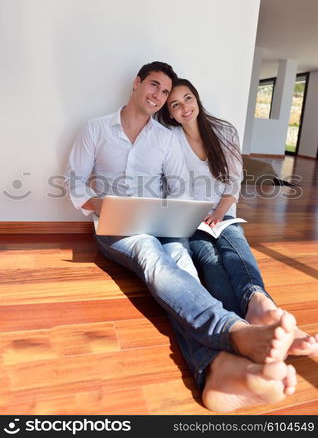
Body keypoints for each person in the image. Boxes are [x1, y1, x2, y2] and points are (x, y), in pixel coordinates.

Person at [65, 62, 298, 412]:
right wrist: (101, 203)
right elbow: (73, 180)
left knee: (184, 267)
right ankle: (232, 329)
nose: (158, 96)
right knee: (150, 255)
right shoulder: (96, 128)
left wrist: (200, 209)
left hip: (159, 220)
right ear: (137, 83)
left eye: (165, 93)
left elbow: (179, 185)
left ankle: (217, 370)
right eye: (154, 86)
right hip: (116, 226)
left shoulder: (166, 136)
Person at [157, 77, 318, 358]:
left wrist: (219, 214)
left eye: (188, 98)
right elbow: (173, 187)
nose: (184, 107)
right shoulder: (170, 139)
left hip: (224, 212)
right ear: (169, 112)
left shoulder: (223, 130)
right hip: (190, 219)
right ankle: (257, 327)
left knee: (233, 245)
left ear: (197, 99)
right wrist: (196, 217)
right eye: (175, 104)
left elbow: (234, 181)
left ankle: (259, 303)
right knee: (209, 260)